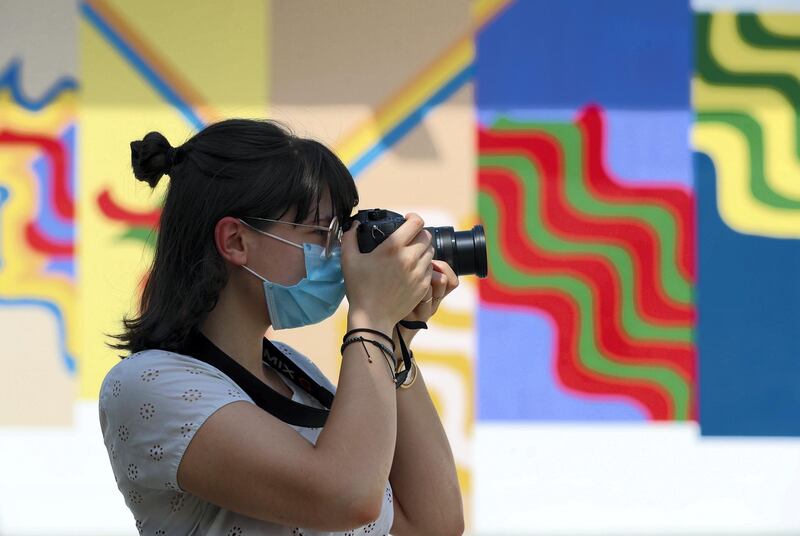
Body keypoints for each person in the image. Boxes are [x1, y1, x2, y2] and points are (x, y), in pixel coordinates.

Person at [97, 119, 465, 535]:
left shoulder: (295, 372)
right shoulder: (149, 384)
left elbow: (434, 525)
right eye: (319, 232)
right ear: (236, 240)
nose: (337, 254)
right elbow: (345, 497)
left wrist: (396, 341)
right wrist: (372, 320)